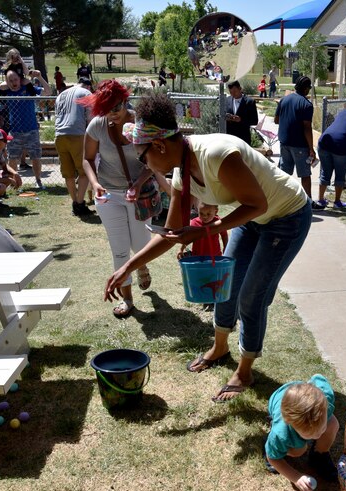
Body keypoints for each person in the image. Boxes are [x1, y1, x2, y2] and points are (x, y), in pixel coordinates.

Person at [104, 93, 312, 403]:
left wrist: (213, 228)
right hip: (253, 216)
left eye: (142, 156)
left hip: (286, 216)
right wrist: (127, 268)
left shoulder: (216, 154)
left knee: (251, 297)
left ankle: (244, 370)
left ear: (159, 146)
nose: (143, 163)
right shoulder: (181, 172)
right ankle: (220, 346)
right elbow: (172, 233)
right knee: (224, 286)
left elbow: (259, 203)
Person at [80, 80, 163, 318]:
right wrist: (95, 184)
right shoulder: (97, 125)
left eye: (115, 109)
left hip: (138, 194)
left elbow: (155, 160)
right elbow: (87, 159)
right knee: (119, 251)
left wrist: (137, 184)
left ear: (125, 102)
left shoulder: (141, 122)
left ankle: (141, 265)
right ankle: (128, 300)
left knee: (139, 245)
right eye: (105, 110)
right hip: (108, 195)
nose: (111, 115)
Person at [264, 374, 340, 491]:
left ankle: (319, 455)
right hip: (278, 398)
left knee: (333, 424)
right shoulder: (282, 431)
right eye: (310, 435)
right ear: (291, 424)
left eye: (321, 428)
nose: (318, 435)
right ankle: (273, 444)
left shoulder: (325, 399)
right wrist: (296, 477)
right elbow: (272, 459)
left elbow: (318, 377)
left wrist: (324, 426)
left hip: (299, 393)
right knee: (298, 450)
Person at [0, 69, 51, 189]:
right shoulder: (6, 92)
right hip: (15, 130)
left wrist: (40, 77)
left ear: (20, 80)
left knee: (35, 157)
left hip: (31, 129)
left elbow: (48, 92)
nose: (14, 82)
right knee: (12, 158)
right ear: (7, 82)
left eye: (15, 79)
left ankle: (38, 181)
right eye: (10, 80)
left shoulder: (29, 89)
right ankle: (12, 182)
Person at [275, 76, 317, 204]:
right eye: (308, 88)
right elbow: (307, 128)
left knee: (284, 174)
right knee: (305, 174)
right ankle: (308, 202)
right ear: (305, 89)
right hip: (299, 145)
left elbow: (276, 120)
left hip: (284, 142)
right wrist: (311, 148)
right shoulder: (306, 105)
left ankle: (281, 200)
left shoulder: (284, 100)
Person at [55, 77, 94, 216]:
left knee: (68, 173)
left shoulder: (61, 95)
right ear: (88, 86)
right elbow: (90, 120)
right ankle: (80, 203)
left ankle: (74, 202)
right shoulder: (86, 93)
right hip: (77, 134)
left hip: (59, 135)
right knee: (84, 171)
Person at [224, 80, 259, 145]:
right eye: (230, 92)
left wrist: (241, 120)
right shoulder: (227, 100)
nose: (233, 94)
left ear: (240, 89)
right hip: (230, 138)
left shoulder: (250, 102)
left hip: (243, 139)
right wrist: (226, 117)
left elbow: (255, 121)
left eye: (235, 91)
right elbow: (219, 116)